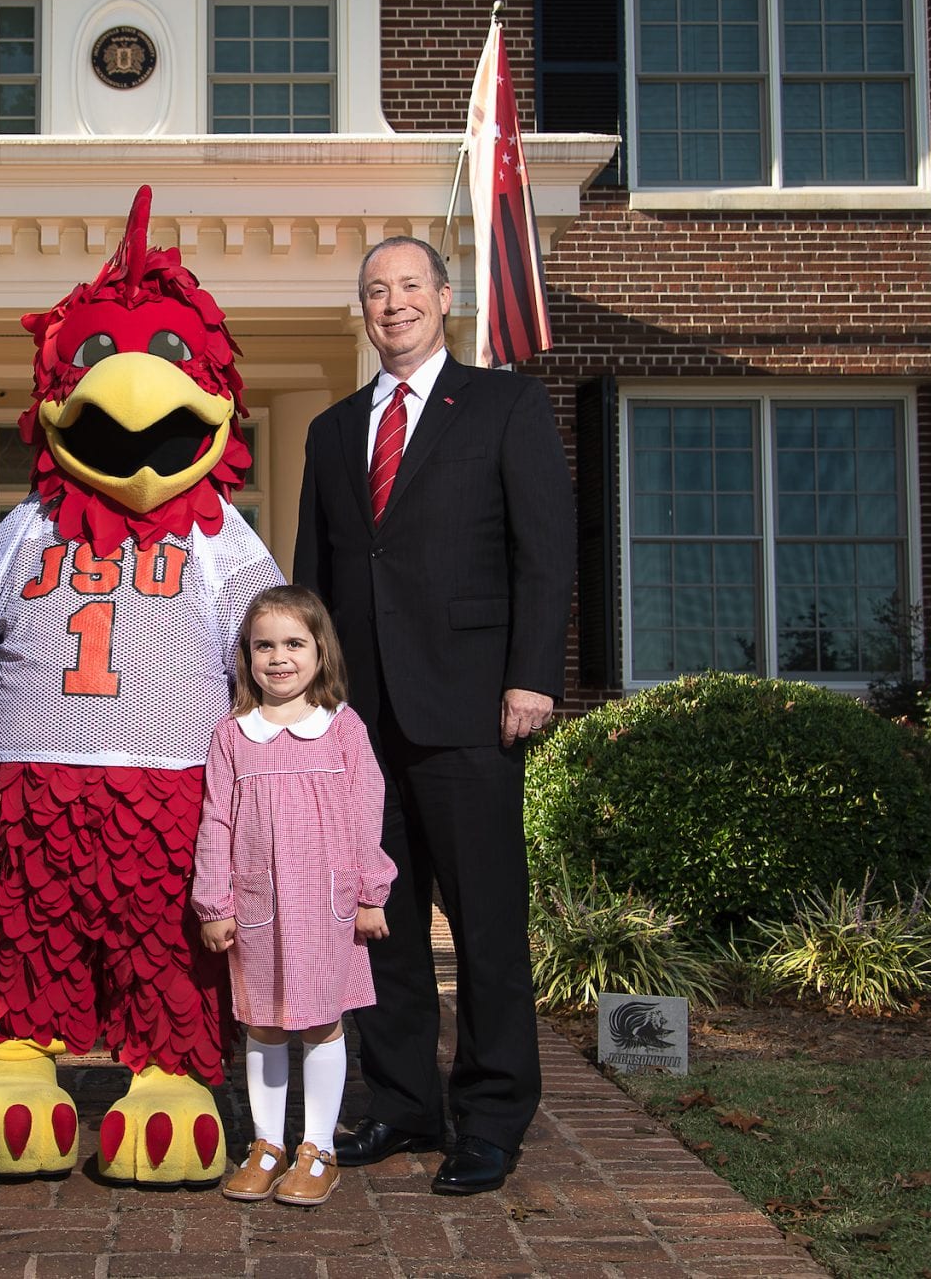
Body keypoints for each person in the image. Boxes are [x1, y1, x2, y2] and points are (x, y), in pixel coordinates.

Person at [292, 236, 576, 1196]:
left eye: (410, 285)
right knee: (384, 925)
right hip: (362, 722)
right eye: (376, 291)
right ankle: (405, 1104)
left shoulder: (504, 404)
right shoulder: (332, 432)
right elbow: (317, 581)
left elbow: (547, 555)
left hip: (470, 710)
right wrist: (314, 710)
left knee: (488, 926)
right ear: (362, 312)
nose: (393, 303)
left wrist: (531, 677)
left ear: (444, 299)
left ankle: (492, 1117)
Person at [193, 585, 393, 1207]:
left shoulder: (342, 728)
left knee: (322, 1023)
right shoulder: (232, 736)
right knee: (264, 1023)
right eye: (264, 646)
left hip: (326, 907)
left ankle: (318, 1148)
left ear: (319, 651)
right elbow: (216, 821)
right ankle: (267, 1143)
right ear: (247, 657)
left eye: (294, 644)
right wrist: (215, 902)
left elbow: (367, 810)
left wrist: (369, 892)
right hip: (256, 907)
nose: (279, 658)